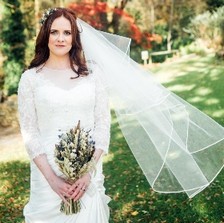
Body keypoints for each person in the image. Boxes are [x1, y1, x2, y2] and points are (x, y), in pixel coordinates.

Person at [18, 8, 111, 223]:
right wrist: (52, 180)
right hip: (46, 173)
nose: (61, 38)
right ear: (45, 35)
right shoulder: (30, 79)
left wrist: (88, 172)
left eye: (67, 33)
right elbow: (30, 132)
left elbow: (103, 124)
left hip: (87, 174)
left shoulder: (93, 75)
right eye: (54, 32)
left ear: (75, 37)